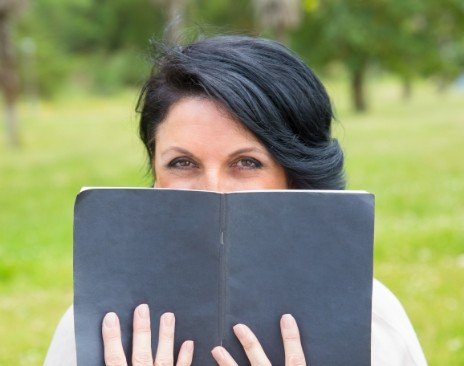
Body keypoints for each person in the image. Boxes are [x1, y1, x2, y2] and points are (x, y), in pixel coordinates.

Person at [44, 35, 428, 366]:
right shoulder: (95, 327)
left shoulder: (371, 320)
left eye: (247, 163)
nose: (213, 190)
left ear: (295, 177)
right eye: (182, 162)